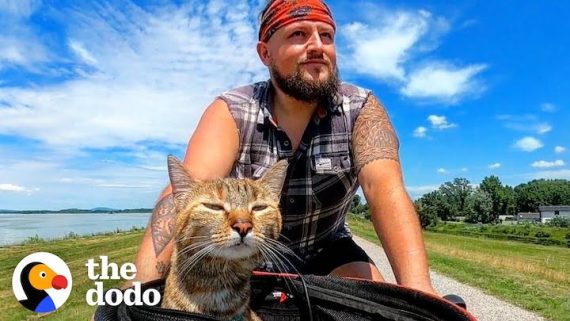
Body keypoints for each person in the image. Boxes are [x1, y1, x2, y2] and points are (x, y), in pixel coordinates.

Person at [132, 0, 436, 295]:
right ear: (265, 53)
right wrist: (138, 291)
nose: (317, 45)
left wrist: (420, 291)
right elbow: (186, 192)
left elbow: (384, 187)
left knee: (375, 307)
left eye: (326, 35)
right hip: (245, 251)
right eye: (299, 34)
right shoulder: (232, 112)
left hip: (329, 247)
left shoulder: (361, 109)